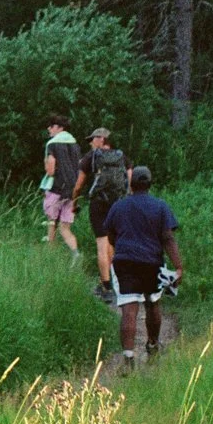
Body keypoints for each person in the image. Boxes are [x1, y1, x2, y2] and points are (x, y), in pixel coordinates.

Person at [101, 165, 184, 365]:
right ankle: (153, 345)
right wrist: (179, 266)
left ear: (131, 184)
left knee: (129, 310)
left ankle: (128, 359)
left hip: (124, 262)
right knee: (153, 304)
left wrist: (120, 247)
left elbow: (110, 235)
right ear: (150, 184)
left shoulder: (119, 206)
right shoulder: (160, 206)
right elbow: (168, 238)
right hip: (152, 263)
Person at [72, 127, 131, 301]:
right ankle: (113, 281)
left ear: (101, 139)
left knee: (101, 244)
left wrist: (74, 202)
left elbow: (78, 185)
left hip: (98, 204)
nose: (90, 143)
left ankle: (106, 288)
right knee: (113, 242)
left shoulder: (90, 157)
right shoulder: (121, 156)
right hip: (118, 204)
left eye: (92, 139)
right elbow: (130, 179)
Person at [39, 115, 80, 253]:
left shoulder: (52, 144)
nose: (49, 128)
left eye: (51, 126)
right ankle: (76, 253)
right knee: (65, 227)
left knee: (51, 222)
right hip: (73, 190)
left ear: (59, 128)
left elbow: (50, 170)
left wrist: (46, 164)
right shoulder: (75, 144)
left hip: (56, 188)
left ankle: (50, 252)